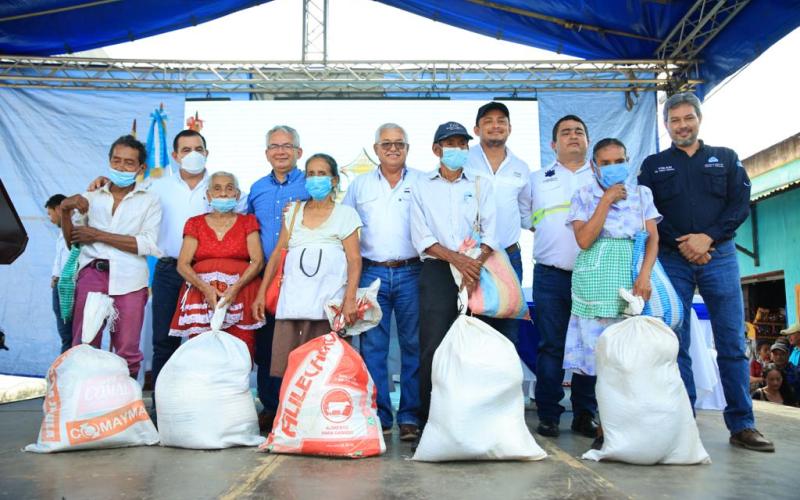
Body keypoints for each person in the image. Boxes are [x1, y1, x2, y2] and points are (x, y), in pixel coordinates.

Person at [639, 92, 774, 452]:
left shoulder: (726, 158)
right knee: (674, 341)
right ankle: (683, 421)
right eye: (674, 120)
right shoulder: (652, 166)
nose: (682, 125)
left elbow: (739, 204)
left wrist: (708, 238)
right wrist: (685, 242)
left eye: (688, 118)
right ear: (666, 125)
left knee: (731, 342)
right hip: (672, 257)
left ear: (699, 119)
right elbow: (646, 214)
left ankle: (743, 424)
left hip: (721, 255)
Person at [87, 130, 241, 390]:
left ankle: (200, 403)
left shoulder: (221, 187)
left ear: (207, 153)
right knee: (163, 341)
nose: (193, 155)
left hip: (209, 272)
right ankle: (162, 409)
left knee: (206, 339)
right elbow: (124, 191)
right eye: (185, 150)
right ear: (175, 155)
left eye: (198, 149)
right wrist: (102, 181)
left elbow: (242, 223)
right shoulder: (156, 186)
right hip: (169, 270)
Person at [410, 121, 497, 428]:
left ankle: (472, 419)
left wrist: (474, 263)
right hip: (437, 270)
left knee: (474, 344)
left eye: (463, 144)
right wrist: (458, 260)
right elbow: (421, 236)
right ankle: (430, 420)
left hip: (476, 271)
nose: (458, 150)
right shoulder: (421, 185)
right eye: (451, 144)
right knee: (433, 345)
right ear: (436, 150)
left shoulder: (480, 183)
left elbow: (491, 231)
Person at [342, 123, 422, 441]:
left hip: (412, 271)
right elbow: (346, 231)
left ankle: (410, 416)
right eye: (386, 143)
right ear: (375, 149)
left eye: (399, 144)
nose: (392, 148)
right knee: (373, 348)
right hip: (372, 272)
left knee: (413, 346)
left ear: (407, 148)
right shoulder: (359, 186)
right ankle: (379, 415)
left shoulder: (422, 182)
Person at [60, 135, 162, 377]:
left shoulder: (150, 200)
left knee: (127, 350)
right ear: (108, 162)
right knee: (84, 343)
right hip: (92, 274)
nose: (121, 167)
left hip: (130, 279)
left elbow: (146, 244)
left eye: (129, 163)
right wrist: (65, 210)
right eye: (116, 161)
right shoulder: (90, 197)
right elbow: (71, 240)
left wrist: (97, 234)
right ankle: (83, 405)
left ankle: (124, 408)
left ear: (141, 168)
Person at [253, 153, 362, 378]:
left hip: (328, 305)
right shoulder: (293, 212)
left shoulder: (346, 214)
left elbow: (354, 260)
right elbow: (276, 255)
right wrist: (261, 294)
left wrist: (350, 298)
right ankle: (289, 412)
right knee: (291, 368)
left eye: (322, 173)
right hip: (293, 303)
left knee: (326, 368)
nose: (315, 178)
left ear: (334, 180)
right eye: (310, 173)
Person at [529, 115, 598, 439]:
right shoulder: (537, 179)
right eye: (566, 133)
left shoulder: (601, 178)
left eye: (579, 132)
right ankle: (549, 414)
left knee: (590, 345)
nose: (573, 136)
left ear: (587, 140)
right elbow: (525, 216)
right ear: (553, 144)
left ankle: (585, 414)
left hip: (594, 275)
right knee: (551, 347)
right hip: (550, 275)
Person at [247, 125, 310, 431]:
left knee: (298, 339)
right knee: (267, 342)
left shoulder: (312, 184)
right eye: (275, 146)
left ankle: (299, 403)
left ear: (299, 152)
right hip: (266, 276)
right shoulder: (257, 188)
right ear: (266, 153)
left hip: (302, 276)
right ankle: (271, 405)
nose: (281, 151)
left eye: (287, 145)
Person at [168, 171, 264, 359]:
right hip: (200, 295)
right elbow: (183, 264)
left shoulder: (248, 221)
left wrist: (234, 289)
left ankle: (236, 389)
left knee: (240, 350)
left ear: (237, 195)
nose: (223, 194)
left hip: (242, 293)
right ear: (208, 195)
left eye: (229, 189)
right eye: (217, 188)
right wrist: (205, 289)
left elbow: (258, 260)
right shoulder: (195, 223)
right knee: (202, 352)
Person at [465, 102, 532, 342]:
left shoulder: (521, 168)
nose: (495, 126)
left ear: (510, 128)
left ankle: (506, 380)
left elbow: (526, 212)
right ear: (476, 129)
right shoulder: (463, 161)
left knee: (508, 331)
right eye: (488, 121)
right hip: (471, 258)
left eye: (501, 121)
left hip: (509, 257)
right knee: (471, 327)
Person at [45, 194, 73, 353]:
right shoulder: (62, 231)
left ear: (58, 209)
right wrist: (55, 276)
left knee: (68, 334)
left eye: (50, 213)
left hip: (68, 286)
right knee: (65, 333)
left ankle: (67, 368)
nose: (50, 218)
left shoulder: (75, 227)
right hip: (60, 283)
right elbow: (60, 257)